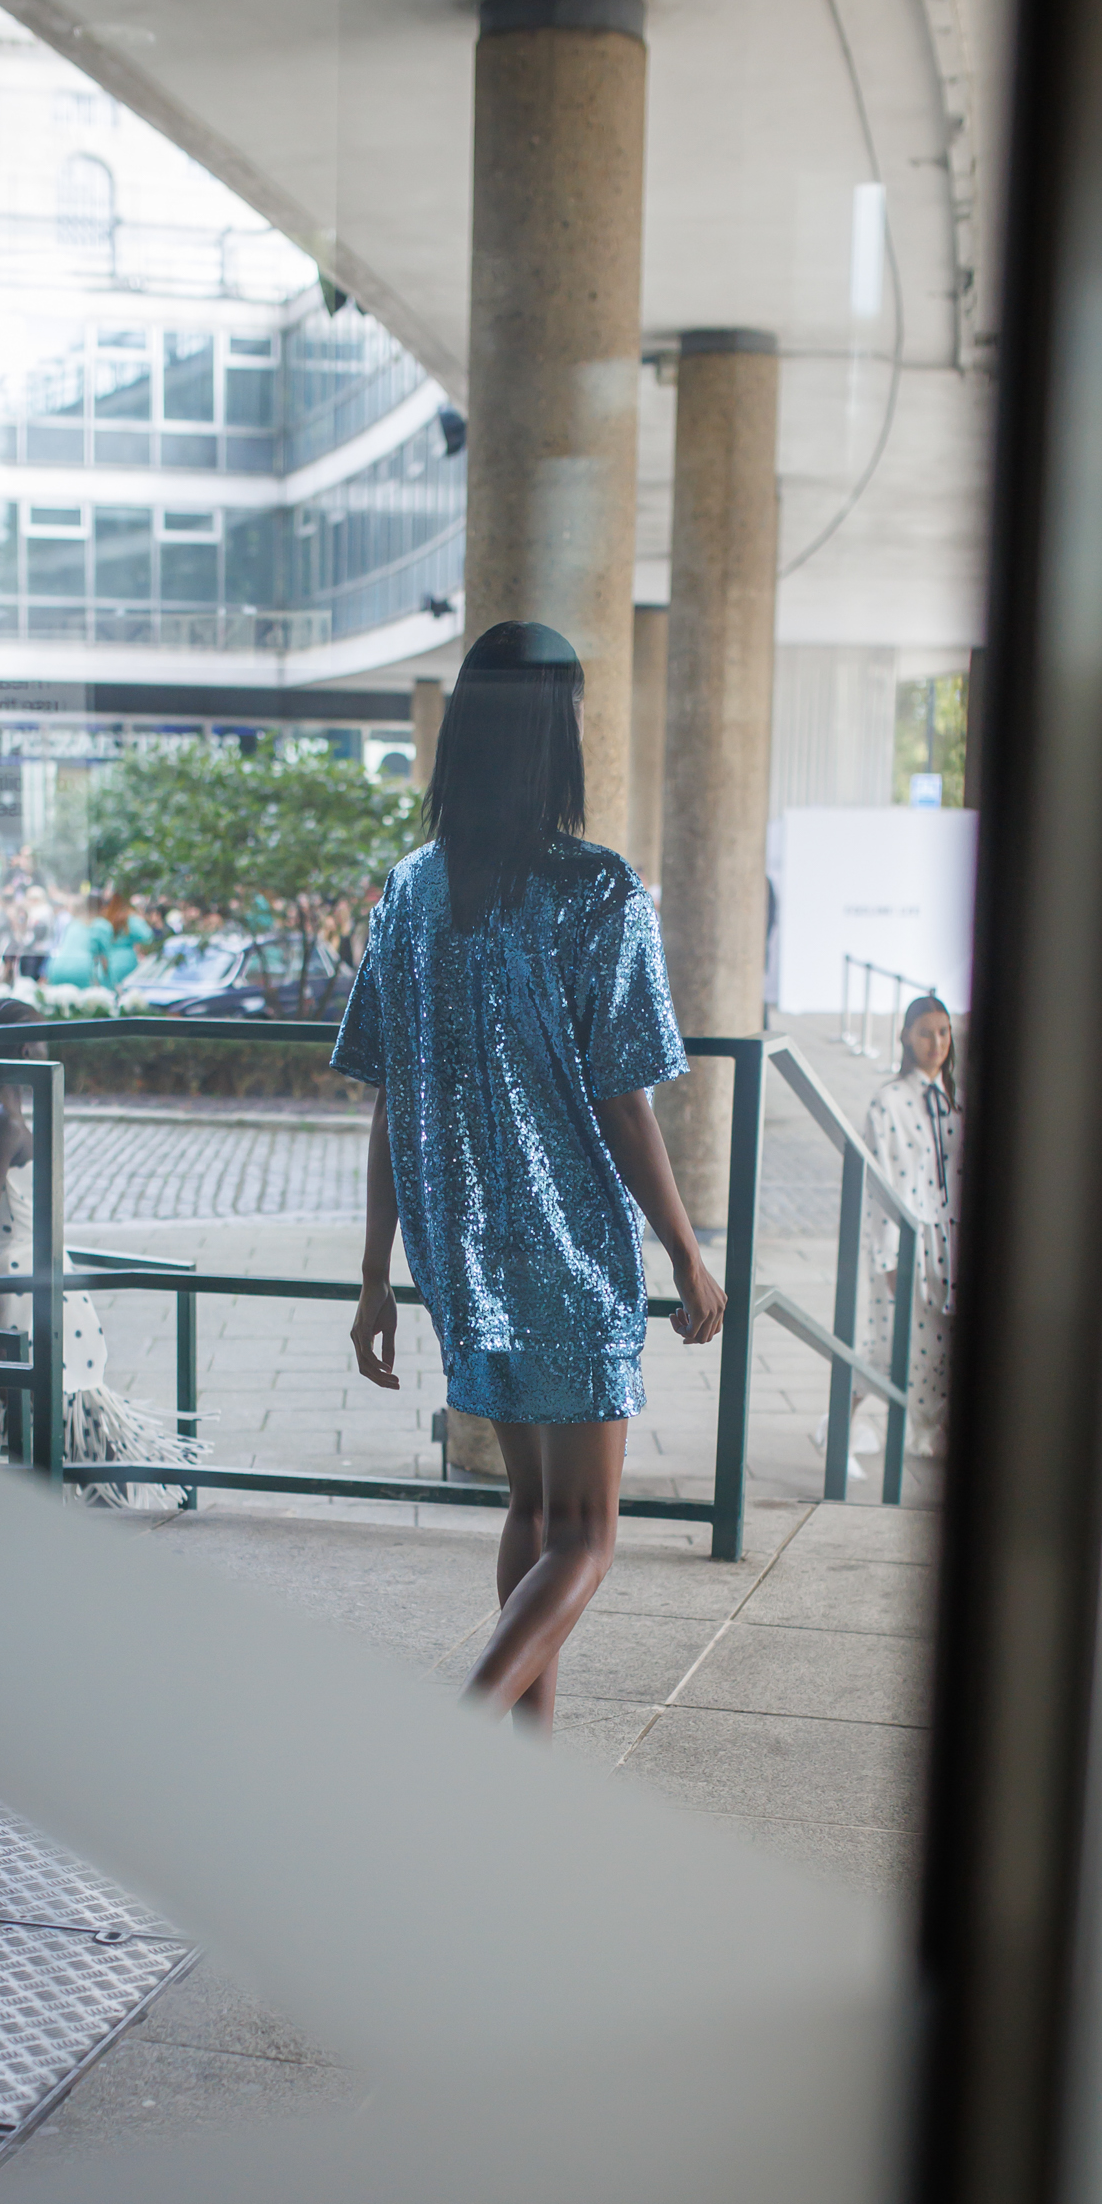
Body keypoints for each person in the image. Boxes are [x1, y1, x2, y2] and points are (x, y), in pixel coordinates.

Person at [333, 620, 725, 1736]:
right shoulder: (595, 890)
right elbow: (622, 1097)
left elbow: (387, 1093)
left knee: (530, 1507)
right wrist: (686, 1253)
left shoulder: (406, 893)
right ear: (558, 731)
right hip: (567, 1253)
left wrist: (374, 1278)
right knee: (589, 1533)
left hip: (457, 1251)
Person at [0, 998, 203, 1501]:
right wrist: (2, 1358)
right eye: (45, 1038)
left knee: (62, 1443)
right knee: (69, 1443)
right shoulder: (2, 1124)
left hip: (22, 1292)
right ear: (27, 1047)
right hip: (18, 1303)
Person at [861, 995, 963, 1461]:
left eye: (943, 1032)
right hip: (910, 1244)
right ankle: (841, 1421)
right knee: (893, 1346)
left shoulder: (955, 1100)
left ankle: (930, 1434)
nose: (936, 1042)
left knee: (942, 1347)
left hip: (952, 1241)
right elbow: (880, 1186)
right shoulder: (889, 1103)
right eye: (926, 1032)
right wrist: (886, 1259)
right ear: (906, 1035)